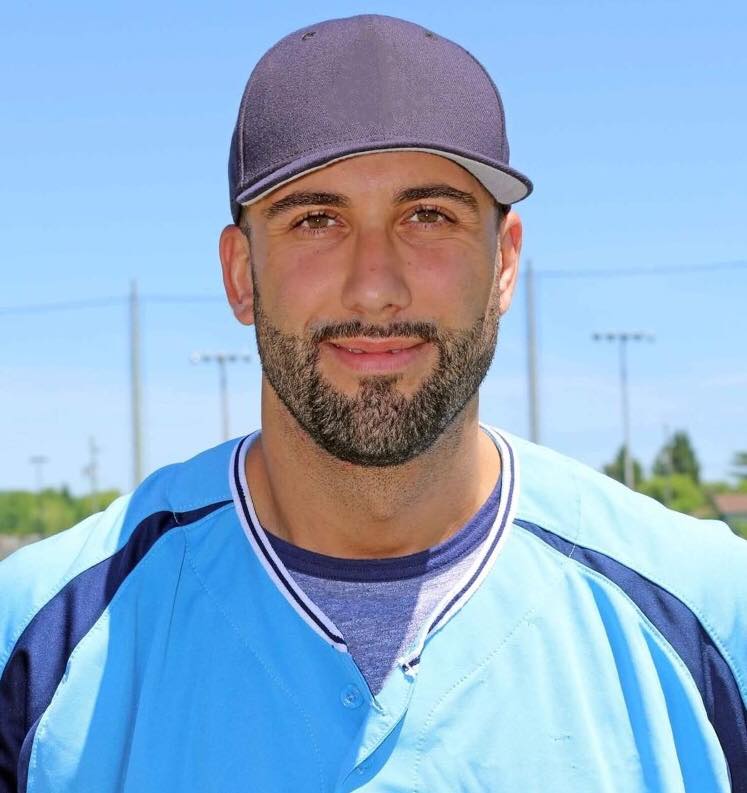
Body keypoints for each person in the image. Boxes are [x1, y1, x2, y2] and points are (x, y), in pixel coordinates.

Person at [1, 13, 745, 793]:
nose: (374, 286)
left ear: (504, 263)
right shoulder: (42, 637)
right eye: (316, 220)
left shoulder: (709, 616)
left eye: (428, 216)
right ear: (240, 274)